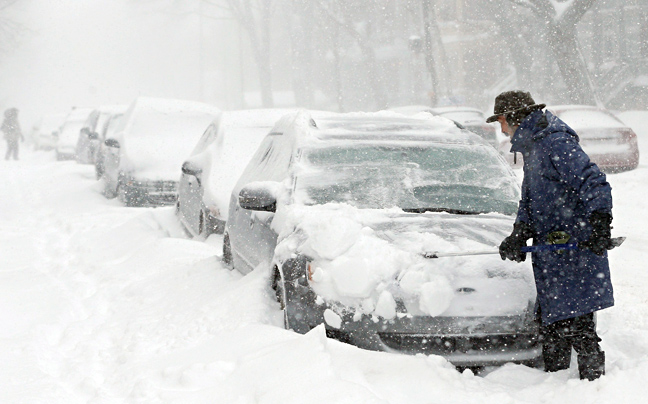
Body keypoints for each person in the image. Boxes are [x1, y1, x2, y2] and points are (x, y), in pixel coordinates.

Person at [487, 91, 614, 381]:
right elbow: (531, 200)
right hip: (552, 253)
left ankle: (595, 389)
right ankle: (555, 384)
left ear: (514, 117)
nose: (502, 128)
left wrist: (600, 222)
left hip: (574, 248)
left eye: (501, 121)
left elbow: (593, 181)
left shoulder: (555, 142)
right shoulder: (535, 146)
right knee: (554, 324)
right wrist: (519, 234)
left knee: (579, 327)